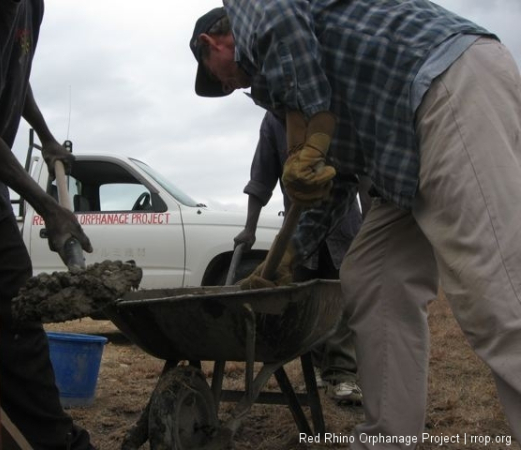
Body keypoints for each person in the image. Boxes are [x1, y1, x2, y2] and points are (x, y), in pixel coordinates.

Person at [190, 2, 521, 448]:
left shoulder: (251, 11)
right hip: (398, 150)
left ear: (213, 43)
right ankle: (389, 438)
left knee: (498, 295)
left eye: (218, 77)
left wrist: (315, 131)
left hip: (443, 81)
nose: (229, 86)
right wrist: (291, 254)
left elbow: (281, 18)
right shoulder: (305, 81)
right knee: (373, 274)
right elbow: (338, 179)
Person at [0, 1, 94, 448]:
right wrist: (47, 204)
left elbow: (13, 77)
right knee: (14, 323)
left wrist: (44, 136)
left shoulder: (31, 5)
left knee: (13, 323)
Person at [235, 111, 363, 404]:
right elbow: (260, 179)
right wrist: (249, 228)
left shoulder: (332, 109)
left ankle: (343, 374)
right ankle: (317, 368)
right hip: (298, 231)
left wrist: (371, 221)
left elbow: (362, 176)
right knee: (305, 302)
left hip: (342, 224)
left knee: (340, 297)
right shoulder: (272, 121)